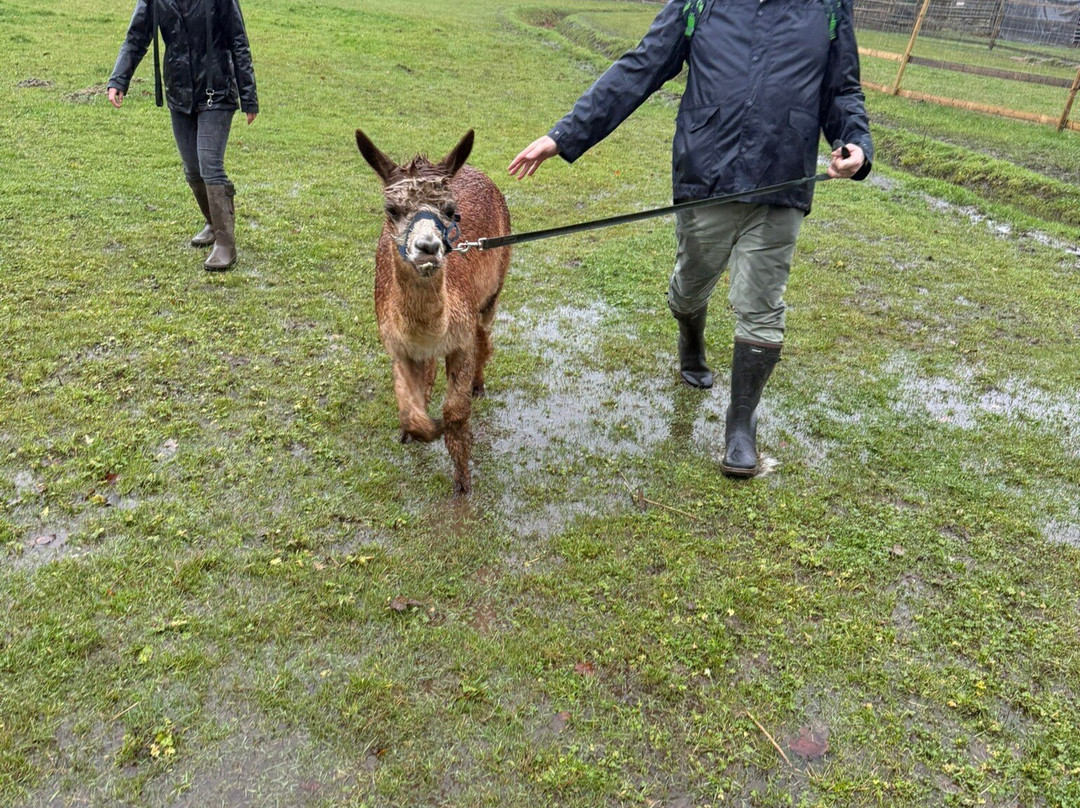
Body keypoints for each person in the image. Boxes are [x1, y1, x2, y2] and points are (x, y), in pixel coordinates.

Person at [508, 0, 873, 477]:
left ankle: (741, 426)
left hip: (781, 179)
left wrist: (856, 145)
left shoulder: (827, 7)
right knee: (689, 287)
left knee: (761, 302)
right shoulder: (701, 3)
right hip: (706, 175)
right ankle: (690, 333)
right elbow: (642, 67)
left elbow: (842, 89)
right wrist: (566, 134)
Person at [108, 0, 259, 272]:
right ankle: (213, 223)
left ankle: (226, 244)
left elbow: (239, 40)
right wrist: (119, 80)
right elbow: (136, 37)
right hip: (180, 92)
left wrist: (248, 96)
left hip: (217, 91)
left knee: (210, 164)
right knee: (192, 168)